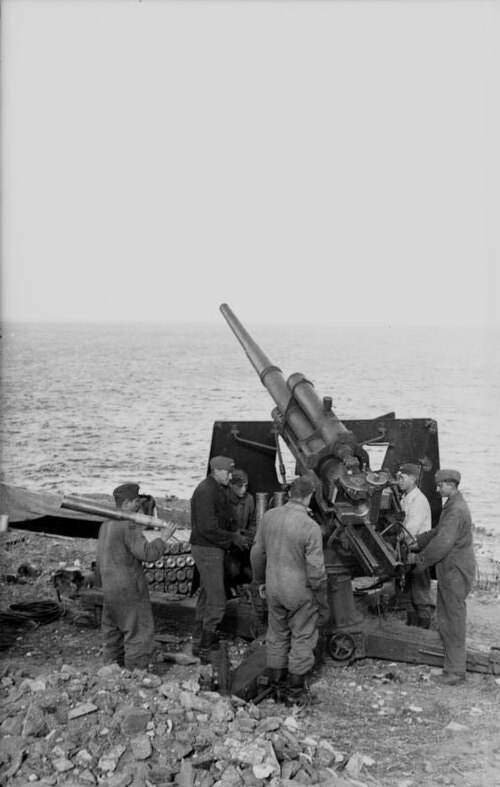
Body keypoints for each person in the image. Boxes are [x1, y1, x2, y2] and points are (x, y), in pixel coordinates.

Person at [250, 475, 329, 706]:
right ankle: (294, 691)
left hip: (273, 587)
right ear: (309, 496)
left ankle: (276, 684)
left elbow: (257, 554)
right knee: (303, 636)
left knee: (277, 634)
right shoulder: (310, 526)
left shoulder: (269, 517)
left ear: (289, 494)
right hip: (299, 592)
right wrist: (321, 598)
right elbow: (315, 570)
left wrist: (259, 580)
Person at [406, 468, 476, 686]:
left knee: (452, 620)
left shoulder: (456, 509)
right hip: (452, 568)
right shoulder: (453, 504)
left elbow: (443, 543)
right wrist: (416, 541)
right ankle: (452, 666)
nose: (437, 489)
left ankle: (455, 672)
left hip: (456, 570)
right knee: (447, 617)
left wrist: (419, 561)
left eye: (440, 485)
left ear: (451, 485)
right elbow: (437, 532)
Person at [96, 482, 171, 671]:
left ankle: (111, 670)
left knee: (113, 633)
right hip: (128, 587)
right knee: (138, 631)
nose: (139, 504)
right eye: (136, 501)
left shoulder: (105, 524)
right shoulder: (128, 525)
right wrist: (163, 538)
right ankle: (135, 675)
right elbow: (148, 554)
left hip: (109, 587)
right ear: (127, 503)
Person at [190, 456, 249, 661]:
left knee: (207, 594)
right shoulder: (206, 491)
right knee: (217, 599)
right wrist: (233, 538)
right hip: (207, 549)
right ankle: (206, 646)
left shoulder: (217, 489)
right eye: (227, 472)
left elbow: (224, 519)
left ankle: (199, 639)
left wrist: (237, 533)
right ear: (215, 471)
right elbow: (207, 528)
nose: (230, 476)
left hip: (212, 547)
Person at [396, 463, 434, 628]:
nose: (399, 481)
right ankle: (412, 627)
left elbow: (409, 529)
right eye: (398, 477)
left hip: (417, 551)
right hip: (407, 550)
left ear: (413, 479)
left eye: (402, 478)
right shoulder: (405, 497)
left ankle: (424, 629)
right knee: (407, 594)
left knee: (420, 593)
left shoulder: (419, 501)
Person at [225, 468, 256, 587]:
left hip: (244, 543)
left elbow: (253, 522)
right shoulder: (223, 500)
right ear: (231, 485)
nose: (244, 489)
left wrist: (250, 534)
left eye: (246, 486)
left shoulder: (249, 499)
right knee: (233, 570)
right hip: (228, 545)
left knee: (252, 572)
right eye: (240, 486)